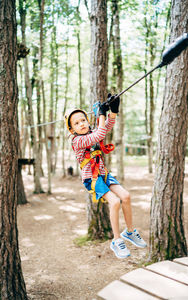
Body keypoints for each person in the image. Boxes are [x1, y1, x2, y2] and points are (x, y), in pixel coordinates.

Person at [65, 95, 147, 259]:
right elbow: (99, 134)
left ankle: (130, 232)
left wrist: (113, 112)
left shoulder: (91, 132)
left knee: (126, 196)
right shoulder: (77, 141)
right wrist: (101, 114)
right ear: (72, 130)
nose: (81, 124)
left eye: (83, 120)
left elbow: (105, 127)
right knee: (115, 202)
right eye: (76, 123)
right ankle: (117, 241)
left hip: (103, 173)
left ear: (88, 121)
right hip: (92, 179)